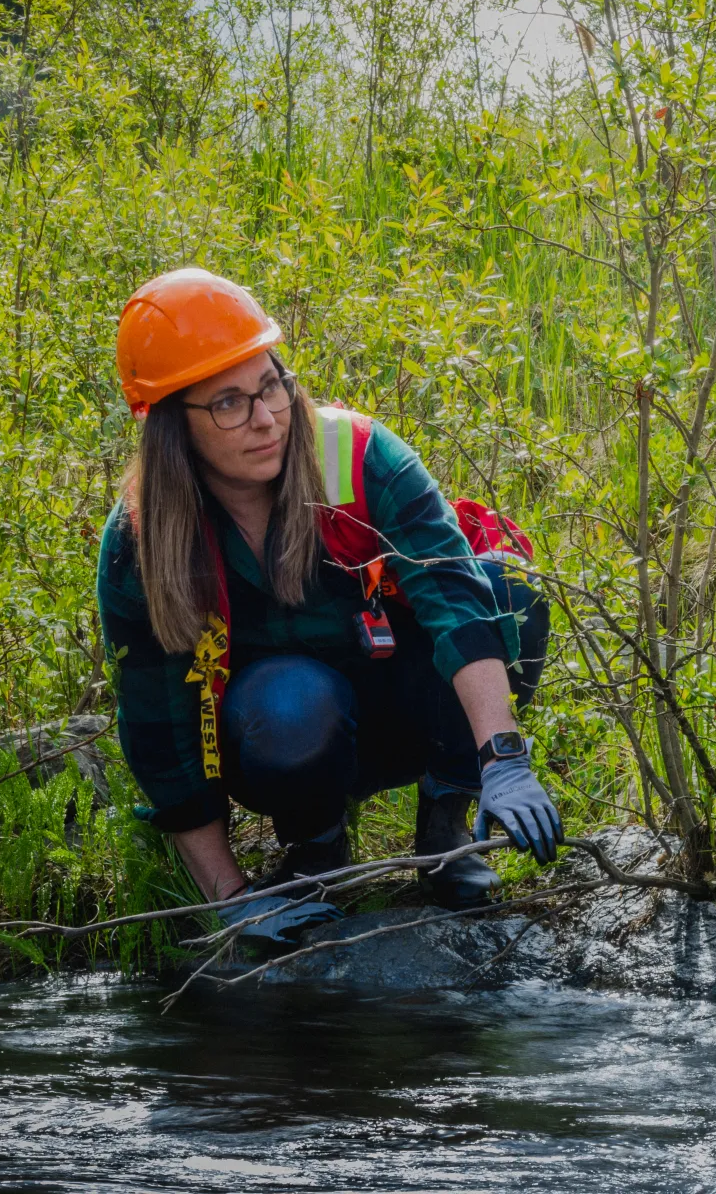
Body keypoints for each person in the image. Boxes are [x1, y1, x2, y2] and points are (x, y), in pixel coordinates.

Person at [98, 268, 563, 945]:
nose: (265, 419)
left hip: (404, 703)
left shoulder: (360, 455)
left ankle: (447, 827)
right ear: (172, 426)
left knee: (509, 593)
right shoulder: (142, 539)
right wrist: (230, 898)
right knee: (292, 705)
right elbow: (158, 727)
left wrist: (502, 757)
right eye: (228, 403)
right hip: (282, 734)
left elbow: (457, 595)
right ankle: (315, 848)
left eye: (270, 387)